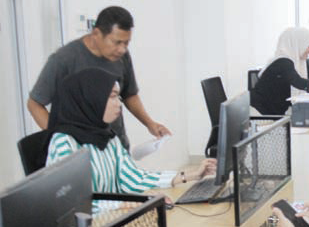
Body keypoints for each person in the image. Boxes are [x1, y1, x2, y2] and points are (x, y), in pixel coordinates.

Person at [45, 68, 215, 194]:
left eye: (118, 97)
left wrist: (190, 175)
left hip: (113, 223)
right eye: (112, 96)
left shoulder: (108, 138)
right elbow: (76, 205)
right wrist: (123, 207)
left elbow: (132, 180)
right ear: (90, 100)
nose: (119, 104)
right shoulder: (64, 143)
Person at [27, 6, 170, 151]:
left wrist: (150, 123)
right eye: (116, 42)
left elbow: (129, 94)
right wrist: (61, 139)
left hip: (116, 146)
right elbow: (34, 104)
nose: (122, 49)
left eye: (126, 43)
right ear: (96, 34)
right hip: (83, 153)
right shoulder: (64, 59)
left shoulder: (121, 56)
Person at [250, 27, 309, 116]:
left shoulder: (301, 62)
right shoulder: (283, 62)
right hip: (260, 114)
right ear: (297, 44)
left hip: (276, 113)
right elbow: (299, 82)